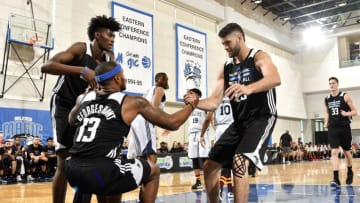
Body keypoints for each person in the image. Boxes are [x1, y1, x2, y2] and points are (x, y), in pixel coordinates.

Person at [65, 61, 199, 203]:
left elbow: (71, 121)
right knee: (153, 170)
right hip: (100, 172)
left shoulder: (83, 98)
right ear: (117, 78)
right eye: (123, 75)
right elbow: (172, 123)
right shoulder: (131, 102)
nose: (125, 78)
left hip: (72, 170)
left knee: (115, 169)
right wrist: (192, 105)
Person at [196, 22, 281, 203]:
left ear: (240, 38)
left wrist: (249, 88)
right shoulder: (227, 67)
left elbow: (275, 78)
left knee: (239, 161)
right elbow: (213, 102)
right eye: (223, 44)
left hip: (262, 118)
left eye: (228, 43)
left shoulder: (258, 56)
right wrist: (194, 103)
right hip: (240, 123)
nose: (225, 47)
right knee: (210, 166)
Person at [40, 15, 120, 203]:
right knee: (64, 159)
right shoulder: (81, 48)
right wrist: (82, 70)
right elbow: (47, 66)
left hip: (87, 110)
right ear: (97, 35)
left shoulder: (109, 60)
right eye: (109, 35)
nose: (112, 39)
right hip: (64, 104)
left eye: (114, 36)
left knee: (95, 158)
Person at [127, 72, 169, 163]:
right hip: (145, 119)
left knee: (138, 153)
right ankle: (152, 175)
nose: (166, 81)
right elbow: (153, 109)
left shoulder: (150, 89)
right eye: (165, 79)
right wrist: (166, 125)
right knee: (150, 151)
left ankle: (139, 175)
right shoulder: (159, 89)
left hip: (137, 120)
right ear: (158, 80)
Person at [324, 76, 357, 187]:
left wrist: (346, 114)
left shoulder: (345, 96)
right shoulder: (327, 98)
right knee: (334, 152)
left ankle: (350, 171)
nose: (331, 85)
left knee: (347, 152)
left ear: (337, 84)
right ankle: (336, 178)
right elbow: (327, 113)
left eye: (333, 83)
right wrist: (326, 123)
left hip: (344, 127)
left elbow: (355, 111)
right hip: (333, 128)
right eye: (330, 83)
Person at [200, 96, 234, 201]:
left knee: (224, 165)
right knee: (230, 165)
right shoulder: (235, 95)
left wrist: (202, 134)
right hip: (232, 128)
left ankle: (230, 191)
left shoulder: (216, 98)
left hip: (219, 130)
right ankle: (223, 190)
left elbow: (207, 118)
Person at [186, 88, 210, 190]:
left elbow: (210, 118)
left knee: (204, 157)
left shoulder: (204, 104)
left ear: (198, 95)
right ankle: (198, 181)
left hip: (202, 133)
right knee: (194, 158)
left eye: (191, 93)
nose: (189, 94)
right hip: (192, 134)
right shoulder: (189, 106)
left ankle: (209, 180)